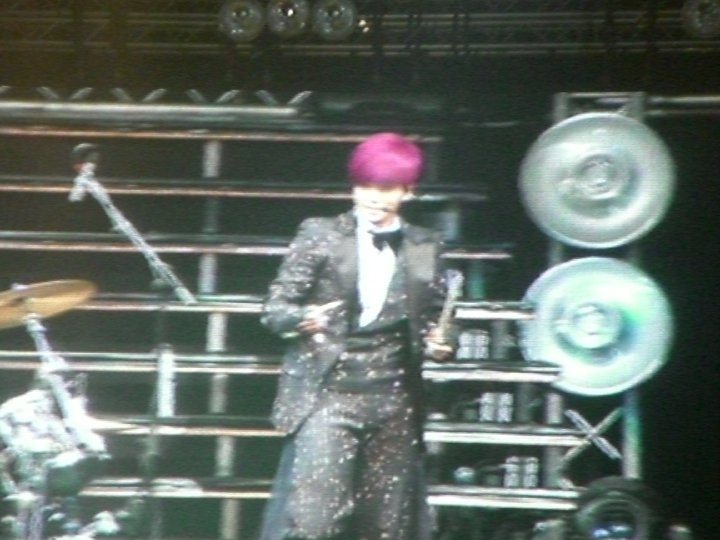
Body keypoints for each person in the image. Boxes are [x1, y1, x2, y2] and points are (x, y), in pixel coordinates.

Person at [259, 132, 454, 540]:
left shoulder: (426, 245)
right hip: (329, 394)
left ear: (408, 191)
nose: (373, 198)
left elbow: (436, 321)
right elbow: (275, 309)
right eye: (365, 187)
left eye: (386, 189)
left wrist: (441, 343)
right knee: (314, 520)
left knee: (385, 526)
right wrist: (302, 318)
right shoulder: (321, 234)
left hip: (395, 400)